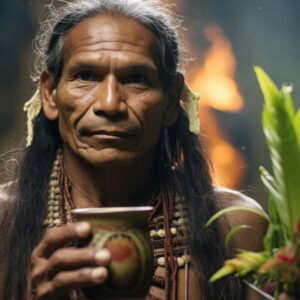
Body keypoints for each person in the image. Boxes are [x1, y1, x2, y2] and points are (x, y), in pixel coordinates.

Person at [0, 0, 294, 299]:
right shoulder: (4, 219)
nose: (110, 104)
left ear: (170, 101)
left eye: (137, 79)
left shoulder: (233, 224)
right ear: (49, 94)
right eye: (86, 76)